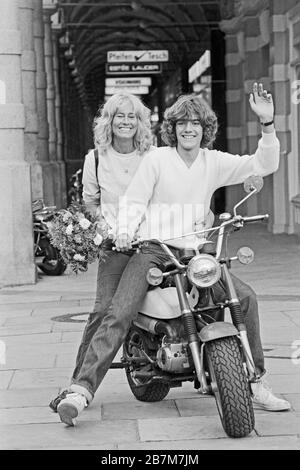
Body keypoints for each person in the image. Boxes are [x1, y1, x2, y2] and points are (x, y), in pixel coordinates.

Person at [53, 82, 290, 427]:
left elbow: (262, 164)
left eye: (195, 123)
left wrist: (267, 124)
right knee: (118, 311)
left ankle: (255, 380)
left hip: (195, 252)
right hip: (154, 249)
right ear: (173, 129)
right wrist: (123, 231)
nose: (189, 128)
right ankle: (80, 390)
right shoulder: (157, 159)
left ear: (205, 128)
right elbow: (134, 200)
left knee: (246, 299)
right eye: (182, 123)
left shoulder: (214, 162)